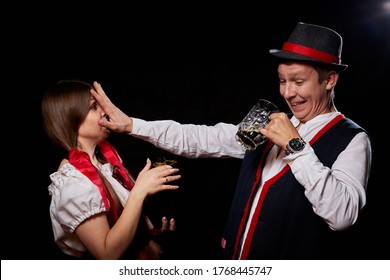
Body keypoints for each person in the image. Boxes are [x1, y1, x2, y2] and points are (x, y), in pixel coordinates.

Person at [90, 22, 372, 259]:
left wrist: (294, 145)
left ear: (330, 80)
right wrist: (132, 125)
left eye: (298, 82)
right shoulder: (268, 121)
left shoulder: (353, 139)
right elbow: (201, 138)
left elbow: (342, 215)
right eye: (282, 81)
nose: (287, 92)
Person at [41, 80, 181, 260]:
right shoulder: (72, 183)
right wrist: (139, 190)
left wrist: (145, 231)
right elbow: (107, 255)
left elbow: (120, 229)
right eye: (94, 107)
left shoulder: (106, 163)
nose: (105, 111)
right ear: (71, 119)